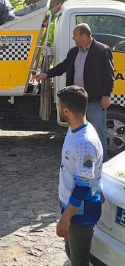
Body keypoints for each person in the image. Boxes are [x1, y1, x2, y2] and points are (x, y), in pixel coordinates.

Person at [35, 23, 115, 161]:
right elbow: (63, 67)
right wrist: (46, 74)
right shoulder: (74, 52)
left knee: (98, 134)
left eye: (75, 35)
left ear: (84, 36)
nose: (73, 38)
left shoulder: (102, 50)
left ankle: (103, 164)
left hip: (95, 101)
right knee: (77, 133)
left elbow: (109, 75)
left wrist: (106, 95)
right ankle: (80, 160)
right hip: (76, 102)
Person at [55, 85, 103, 266]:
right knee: (71, 251)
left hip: (79, 213)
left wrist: (65, 218)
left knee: (79, 259)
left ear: (66, 111)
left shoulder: (85, 142)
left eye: (59, 106)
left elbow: (83, 185)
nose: (57, 109)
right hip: (71, 207)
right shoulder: (75, 129)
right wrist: (62, 197)